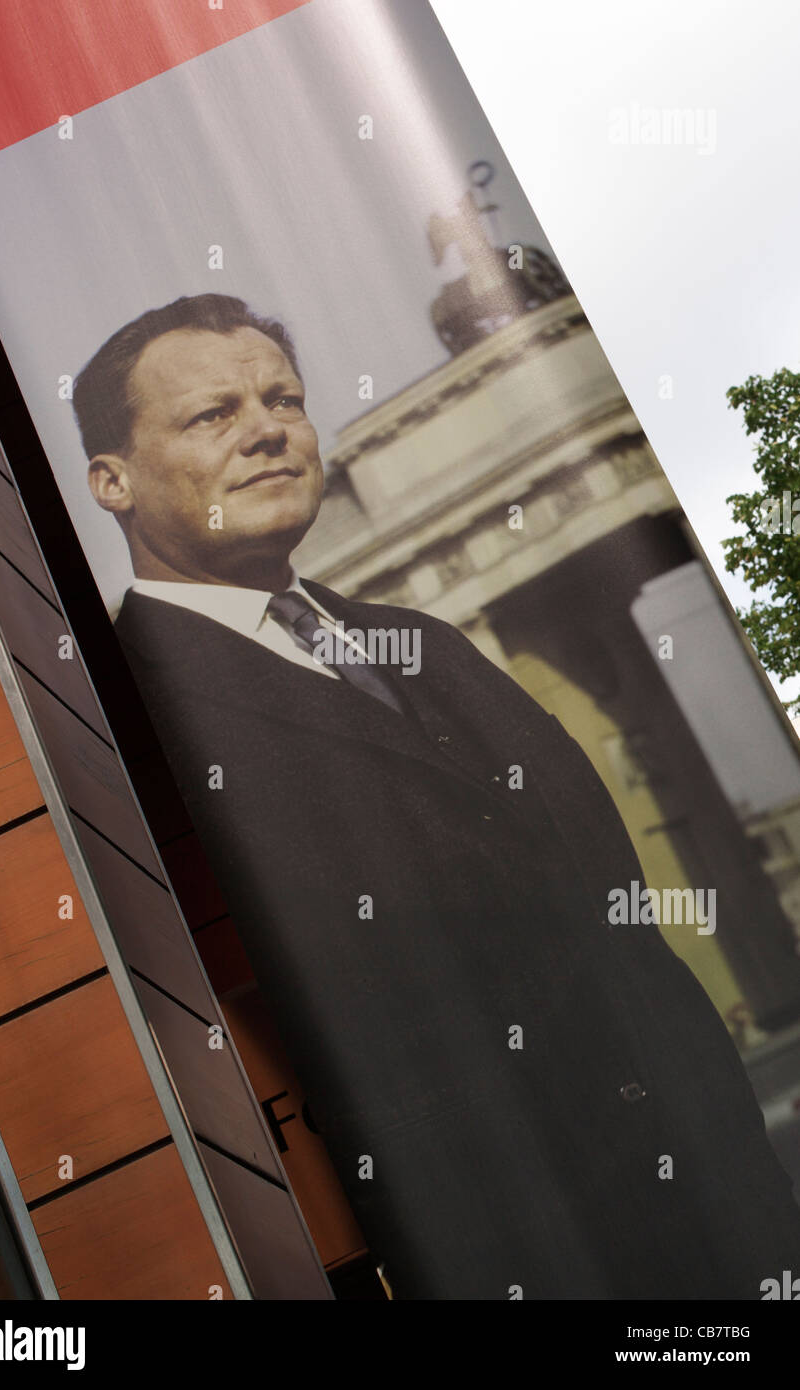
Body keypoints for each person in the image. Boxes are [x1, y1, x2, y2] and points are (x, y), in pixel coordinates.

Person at [75, 293, 800, 1299]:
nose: (267, 429)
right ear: (111, 479)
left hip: (722, 1217)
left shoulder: (428, 643)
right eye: (212, 414)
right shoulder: (124, 720)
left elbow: (608, 909)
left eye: (283, 398)